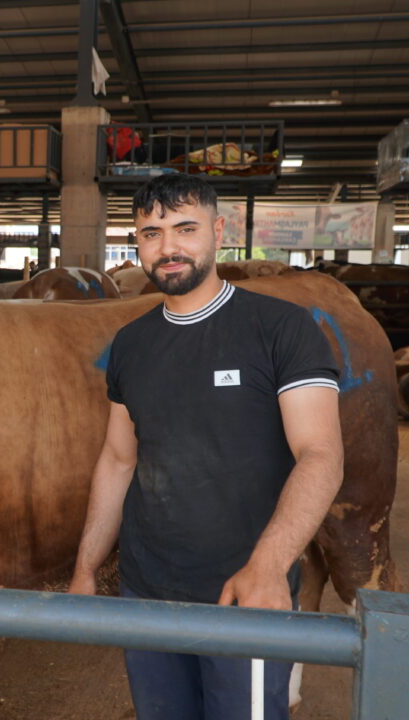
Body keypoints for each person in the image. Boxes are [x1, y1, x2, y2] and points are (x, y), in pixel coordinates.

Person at [68, 173, 344, 720]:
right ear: (137, 244)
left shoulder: (282, 329)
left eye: (184, 228)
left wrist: (268, 567)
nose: (168, 247)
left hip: (245, 592)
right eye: (151, 233)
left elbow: (322, 456)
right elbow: (119, 459)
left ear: (219, 231)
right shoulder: (131, 343)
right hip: (147, 591)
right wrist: (85, 568)